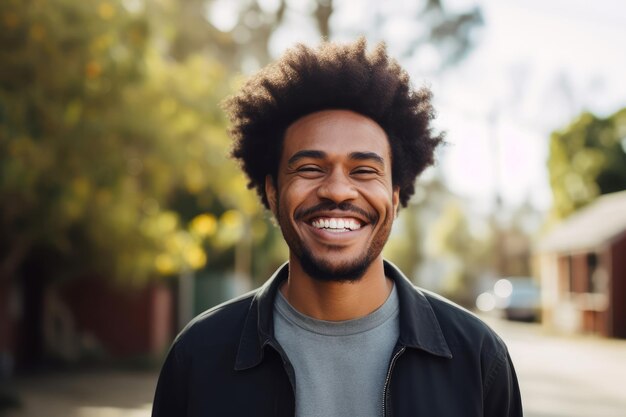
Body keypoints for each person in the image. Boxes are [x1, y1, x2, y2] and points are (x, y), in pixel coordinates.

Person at [152, 38, 523, 417]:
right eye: (310, 168)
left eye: (364, 170)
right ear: (273, 190)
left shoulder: (478, 359)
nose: (338, 190)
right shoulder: (198, 356)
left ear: (394, 197)